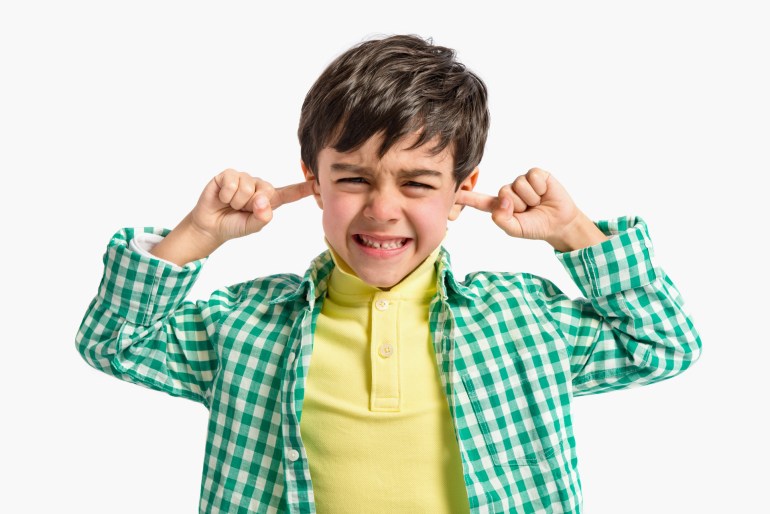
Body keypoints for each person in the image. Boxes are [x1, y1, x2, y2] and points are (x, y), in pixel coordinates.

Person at [75, 34, 701, 514]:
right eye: (352, 178)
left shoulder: (522, 320)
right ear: (314, 181)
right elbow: (114, 343)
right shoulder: (247, 325)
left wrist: (574, 233)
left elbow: (664, 344)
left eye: (418, 183)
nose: (381, 207)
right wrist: (198, 235)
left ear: (462, 191)